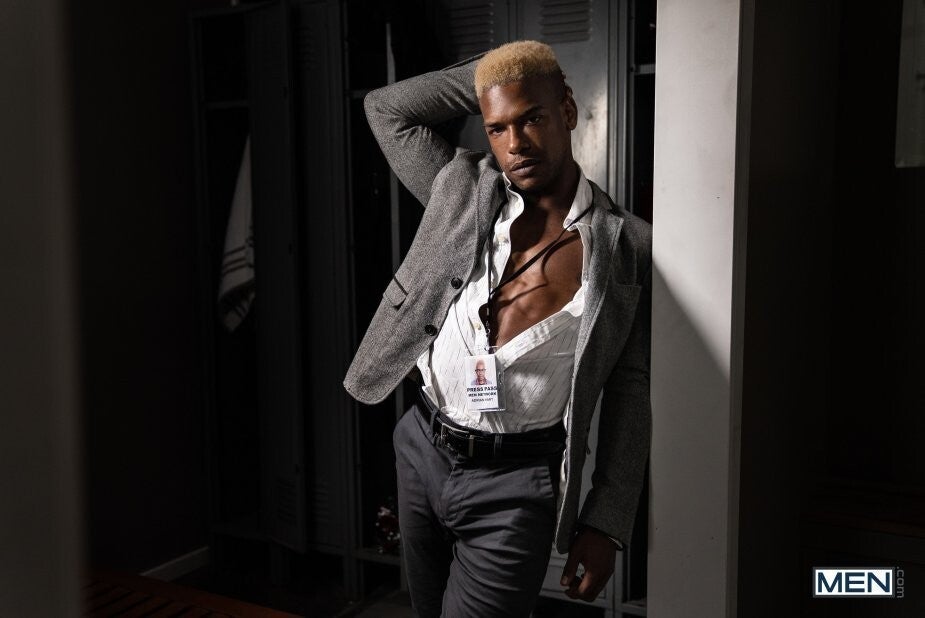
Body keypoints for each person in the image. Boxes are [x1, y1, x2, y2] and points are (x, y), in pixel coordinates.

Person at [344, 40, 651, 617]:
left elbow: (631, 387)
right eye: (497, 128)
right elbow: (386, 108)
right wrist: (499, 79)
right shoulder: (460, 188)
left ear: (567, 109)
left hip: (516, 484)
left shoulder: (627, 245)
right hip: (423, 445)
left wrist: (606, 521)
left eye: (532, 118)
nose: (516, 144)